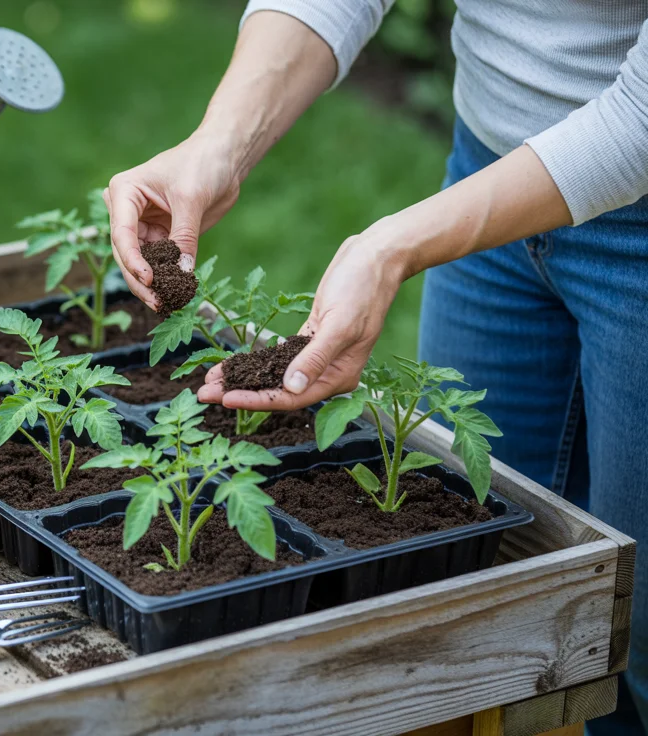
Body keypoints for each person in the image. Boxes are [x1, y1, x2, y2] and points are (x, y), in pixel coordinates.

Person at [104, 4, 648, 733]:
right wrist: (219, 143)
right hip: (488, 169)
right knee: (495, 605)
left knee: (632, 632)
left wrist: (390, 247)